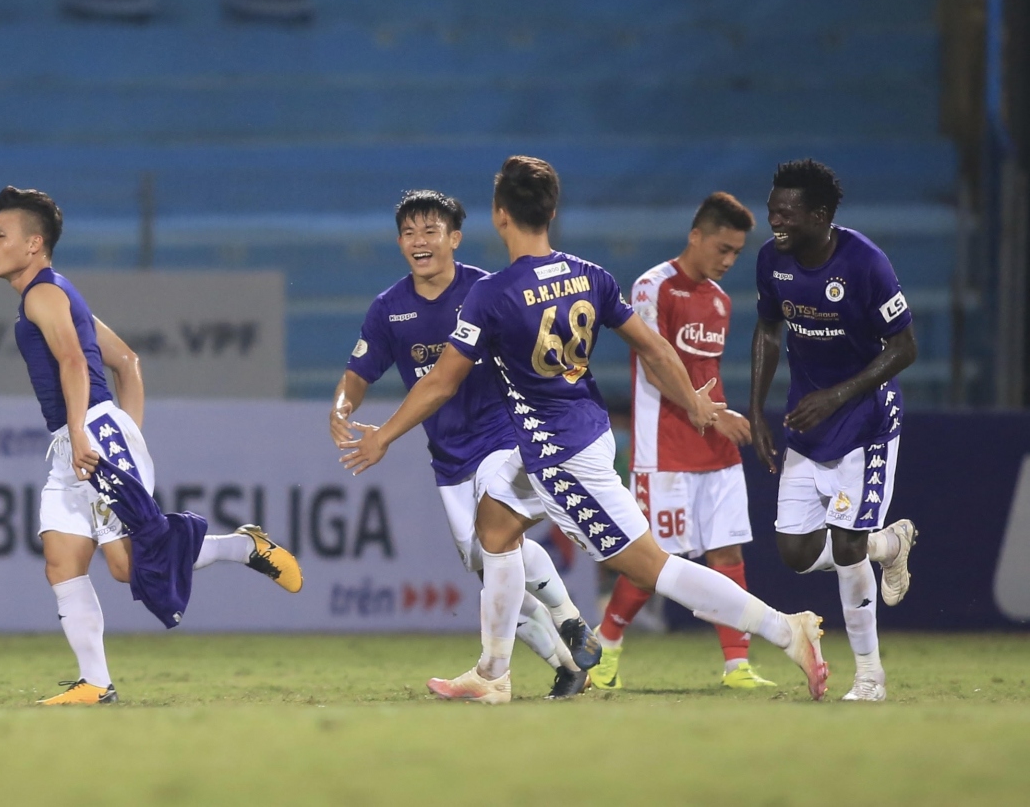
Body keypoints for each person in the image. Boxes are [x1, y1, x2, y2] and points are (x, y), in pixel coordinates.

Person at [342, 156, 830, 704]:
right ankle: (493, 673)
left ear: (501, 215)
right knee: (496, 527)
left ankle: (785, 630)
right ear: (550, 211)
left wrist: (383, 434)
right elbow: (651, 345)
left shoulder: (492, 294)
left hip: (559, 455)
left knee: (652, 568)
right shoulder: (589, 274)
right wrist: (692, 399)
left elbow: (441, 383)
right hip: (579, 430)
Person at [0, 186, 302, 706]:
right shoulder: (57, 293)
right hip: (85, 435)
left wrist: (95, 433)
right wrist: (124, 434)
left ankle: (243, 547)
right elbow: (128, 361)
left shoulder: (43, 295)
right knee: (62, 560)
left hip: (85, 435)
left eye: (1, 234)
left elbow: (72, 362)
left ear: (34, 244)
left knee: (128, 566)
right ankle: (95, 682)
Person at [330, 189, 599, 699]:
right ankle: (569, 662)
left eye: (430, 231)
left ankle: (518, 654)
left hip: (505, 436)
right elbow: (358, 373)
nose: (419, 241)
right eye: (409, 233)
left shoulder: (486, 291)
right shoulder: (389, 309)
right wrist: (341, 407)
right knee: (492, 565)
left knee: (499, 544)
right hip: (449, 455)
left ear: (454, 237)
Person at [749, 159, 919, 702]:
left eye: (786, 212)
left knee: (845, 546)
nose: (774, 220)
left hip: (865, 422)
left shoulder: (865, 263)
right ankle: (889, 543)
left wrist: (838, 396)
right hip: (809, 421)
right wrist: (756, 410)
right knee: (795, 553)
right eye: (772, 209)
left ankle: (869, 675)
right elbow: (769, 331)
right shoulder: (771, 262)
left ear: (820, 216)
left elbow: (905, 348)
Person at [591, 193, 775, 691]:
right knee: (652, 566)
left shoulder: (719, 301)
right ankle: (604, 648)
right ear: (696, 235)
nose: (728, 261)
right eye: (723, 248)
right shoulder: (653, 287)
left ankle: (737, 665)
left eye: (737, 252)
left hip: (714, 449)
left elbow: (704, 374)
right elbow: (655, 365)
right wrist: (709, 415)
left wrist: (722, 417)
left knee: (728, 556)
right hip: (664, 449)